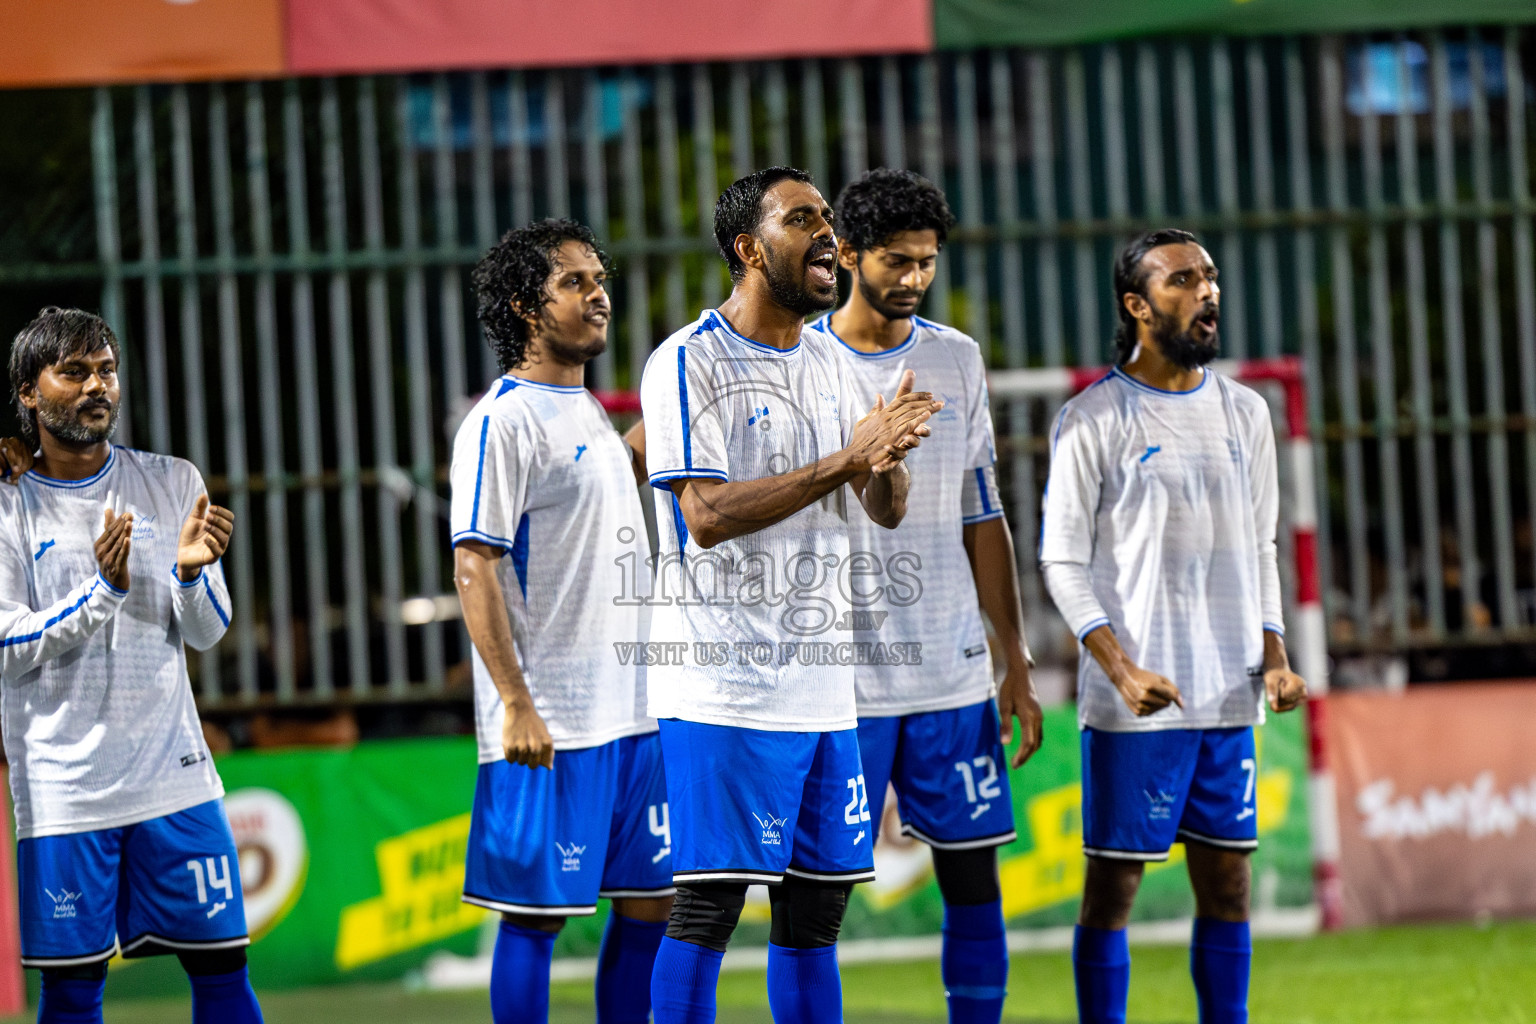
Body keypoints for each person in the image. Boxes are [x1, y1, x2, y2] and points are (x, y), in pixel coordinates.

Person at [641, 166, 941, 1024]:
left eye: (828, 220)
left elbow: (879, 512)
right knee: (708, 908)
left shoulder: (829, 360)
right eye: (802, 219)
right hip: (721, 687)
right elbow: (704, 514)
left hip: (820, 690)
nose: (828, 236)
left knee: (816, 915)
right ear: (747, 249)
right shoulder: (687, 361)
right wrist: (848, 459)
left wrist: (887, 456)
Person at [1039, 230, 1307, 1024]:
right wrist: (1120, 669)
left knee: (1229, 886)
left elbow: (1261, 544)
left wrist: (1276, 656)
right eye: (1183, 279)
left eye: (1211, 277)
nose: (1207, 291)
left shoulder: (1245, 412)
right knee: (1113, 888)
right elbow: (1061, 562)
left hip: (1228, 697)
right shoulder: (1092, 418)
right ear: (1137, 304)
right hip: (1135, 704)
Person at [807, 168, 1044, 1024]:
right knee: (819, 894)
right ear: (847, 254)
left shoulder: (956, 357)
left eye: (927, 263)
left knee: (973, 877)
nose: (913, 278)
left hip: (950, 670)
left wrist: (1012, 657)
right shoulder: (803, 362)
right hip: (841, 678)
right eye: (897, 262)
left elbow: (983, 514)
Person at [0, 307, 262, 1024]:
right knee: (74, 990)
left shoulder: (172, 481)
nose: (97, 386)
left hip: (174, 781)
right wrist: (102, 593)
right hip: (64, 795)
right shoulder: (8, 501)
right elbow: (8, 647)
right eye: (75, 371)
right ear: (29, 391)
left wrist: (187, 575)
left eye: (107, 370)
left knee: (223, 972)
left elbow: (208, 633)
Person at [451, 219, 671, 1024]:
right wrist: (514, 701)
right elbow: (474, 563)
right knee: (538, 919)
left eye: (598, 277)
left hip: (635, 716)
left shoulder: (582, 416)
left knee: (651, 905)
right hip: (552, 723)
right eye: (574, 282)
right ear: (525, 307)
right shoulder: (500, 422)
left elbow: (614, 466)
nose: (598, 293)